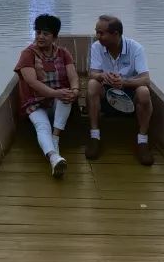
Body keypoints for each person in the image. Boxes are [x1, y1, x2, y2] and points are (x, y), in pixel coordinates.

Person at [15, 14, 79, 178]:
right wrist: (55, 92)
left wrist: (75, 90)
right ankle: (53, 157)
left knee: (66, 94)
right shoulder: (27, 54)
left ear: (54, 37)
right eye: (37, 32)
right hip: (35, 102)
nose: (40, 37)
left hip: (58, 102)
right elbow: (32, 82)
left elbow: (73, 76)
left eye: (45, 33)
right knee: (42, 125)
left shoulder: (63, 53)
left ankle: (55, 138)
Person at [85, 14, 153, 164]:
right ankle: (95, 136)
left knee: (144, 92)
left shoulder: (136, 48)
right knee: (92, 85)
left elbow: (146, 79)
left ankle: (142, 141)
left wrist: (124, 82)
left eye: (101, 33)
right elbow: (92, 73)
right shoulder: (97, 47)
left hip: (129, 95)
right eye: (97, 32)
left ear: (115, 34)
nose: (97, 36)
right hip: (106, 93)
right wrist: (102, 76)